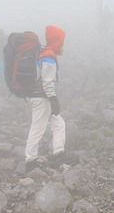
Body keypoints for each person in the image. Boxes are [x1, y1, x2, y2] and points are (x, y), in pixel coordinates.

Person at [24, 25, 76, 171]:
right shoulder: (49, 56)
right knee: (38, 127)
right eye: (62, 40)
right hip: (42, 98)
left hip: (40, 97)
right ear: (57, 40)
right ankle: (30, 159)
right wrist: (53, 100)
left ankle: (59, 152)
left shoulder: (45, 53)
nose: (62, 44)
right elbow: (47, 81)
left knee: (59, 124)